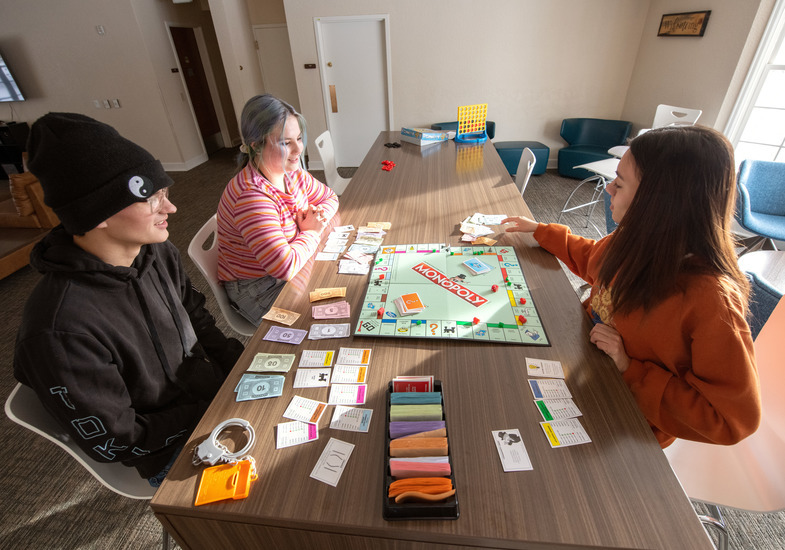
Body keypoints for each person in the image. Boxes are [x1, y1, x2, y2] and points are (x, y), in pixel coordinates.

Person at [14, 113, 244, 486]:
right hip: (170, 449)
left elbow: (197, 319)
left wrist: (245, 370)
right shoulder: (59, 330)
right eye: (152, 199)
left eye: (165, 194)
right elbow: (118, 438)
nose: (169, 209)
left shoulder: (157, 253)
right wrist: (213, 411)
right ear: (98, 214)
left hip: (214, 401)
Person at [503, 125, 761, 448]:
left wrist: (629, 366)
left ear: (658, 204)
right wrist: (541, 231)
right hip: (588, 368)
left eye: (619, 183)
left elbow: (731, 419)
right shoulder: (633, 240)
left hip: (632, 424)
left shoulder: (712, 301)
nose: (608, 189)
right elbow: (592, 259)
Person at [217, 94, 339, 325]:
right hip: (259, 287)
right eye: (285, 143)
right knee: (329, 321)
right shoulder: (252, 197)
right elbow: (285, 267)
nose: (298, 150)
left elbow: (329, 197)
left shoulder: (292, 173)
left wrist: (317, 217)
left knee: (345, 286)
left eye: (299, 139)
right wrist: (312, 231)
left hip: (290, 263)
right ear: (256, 145)